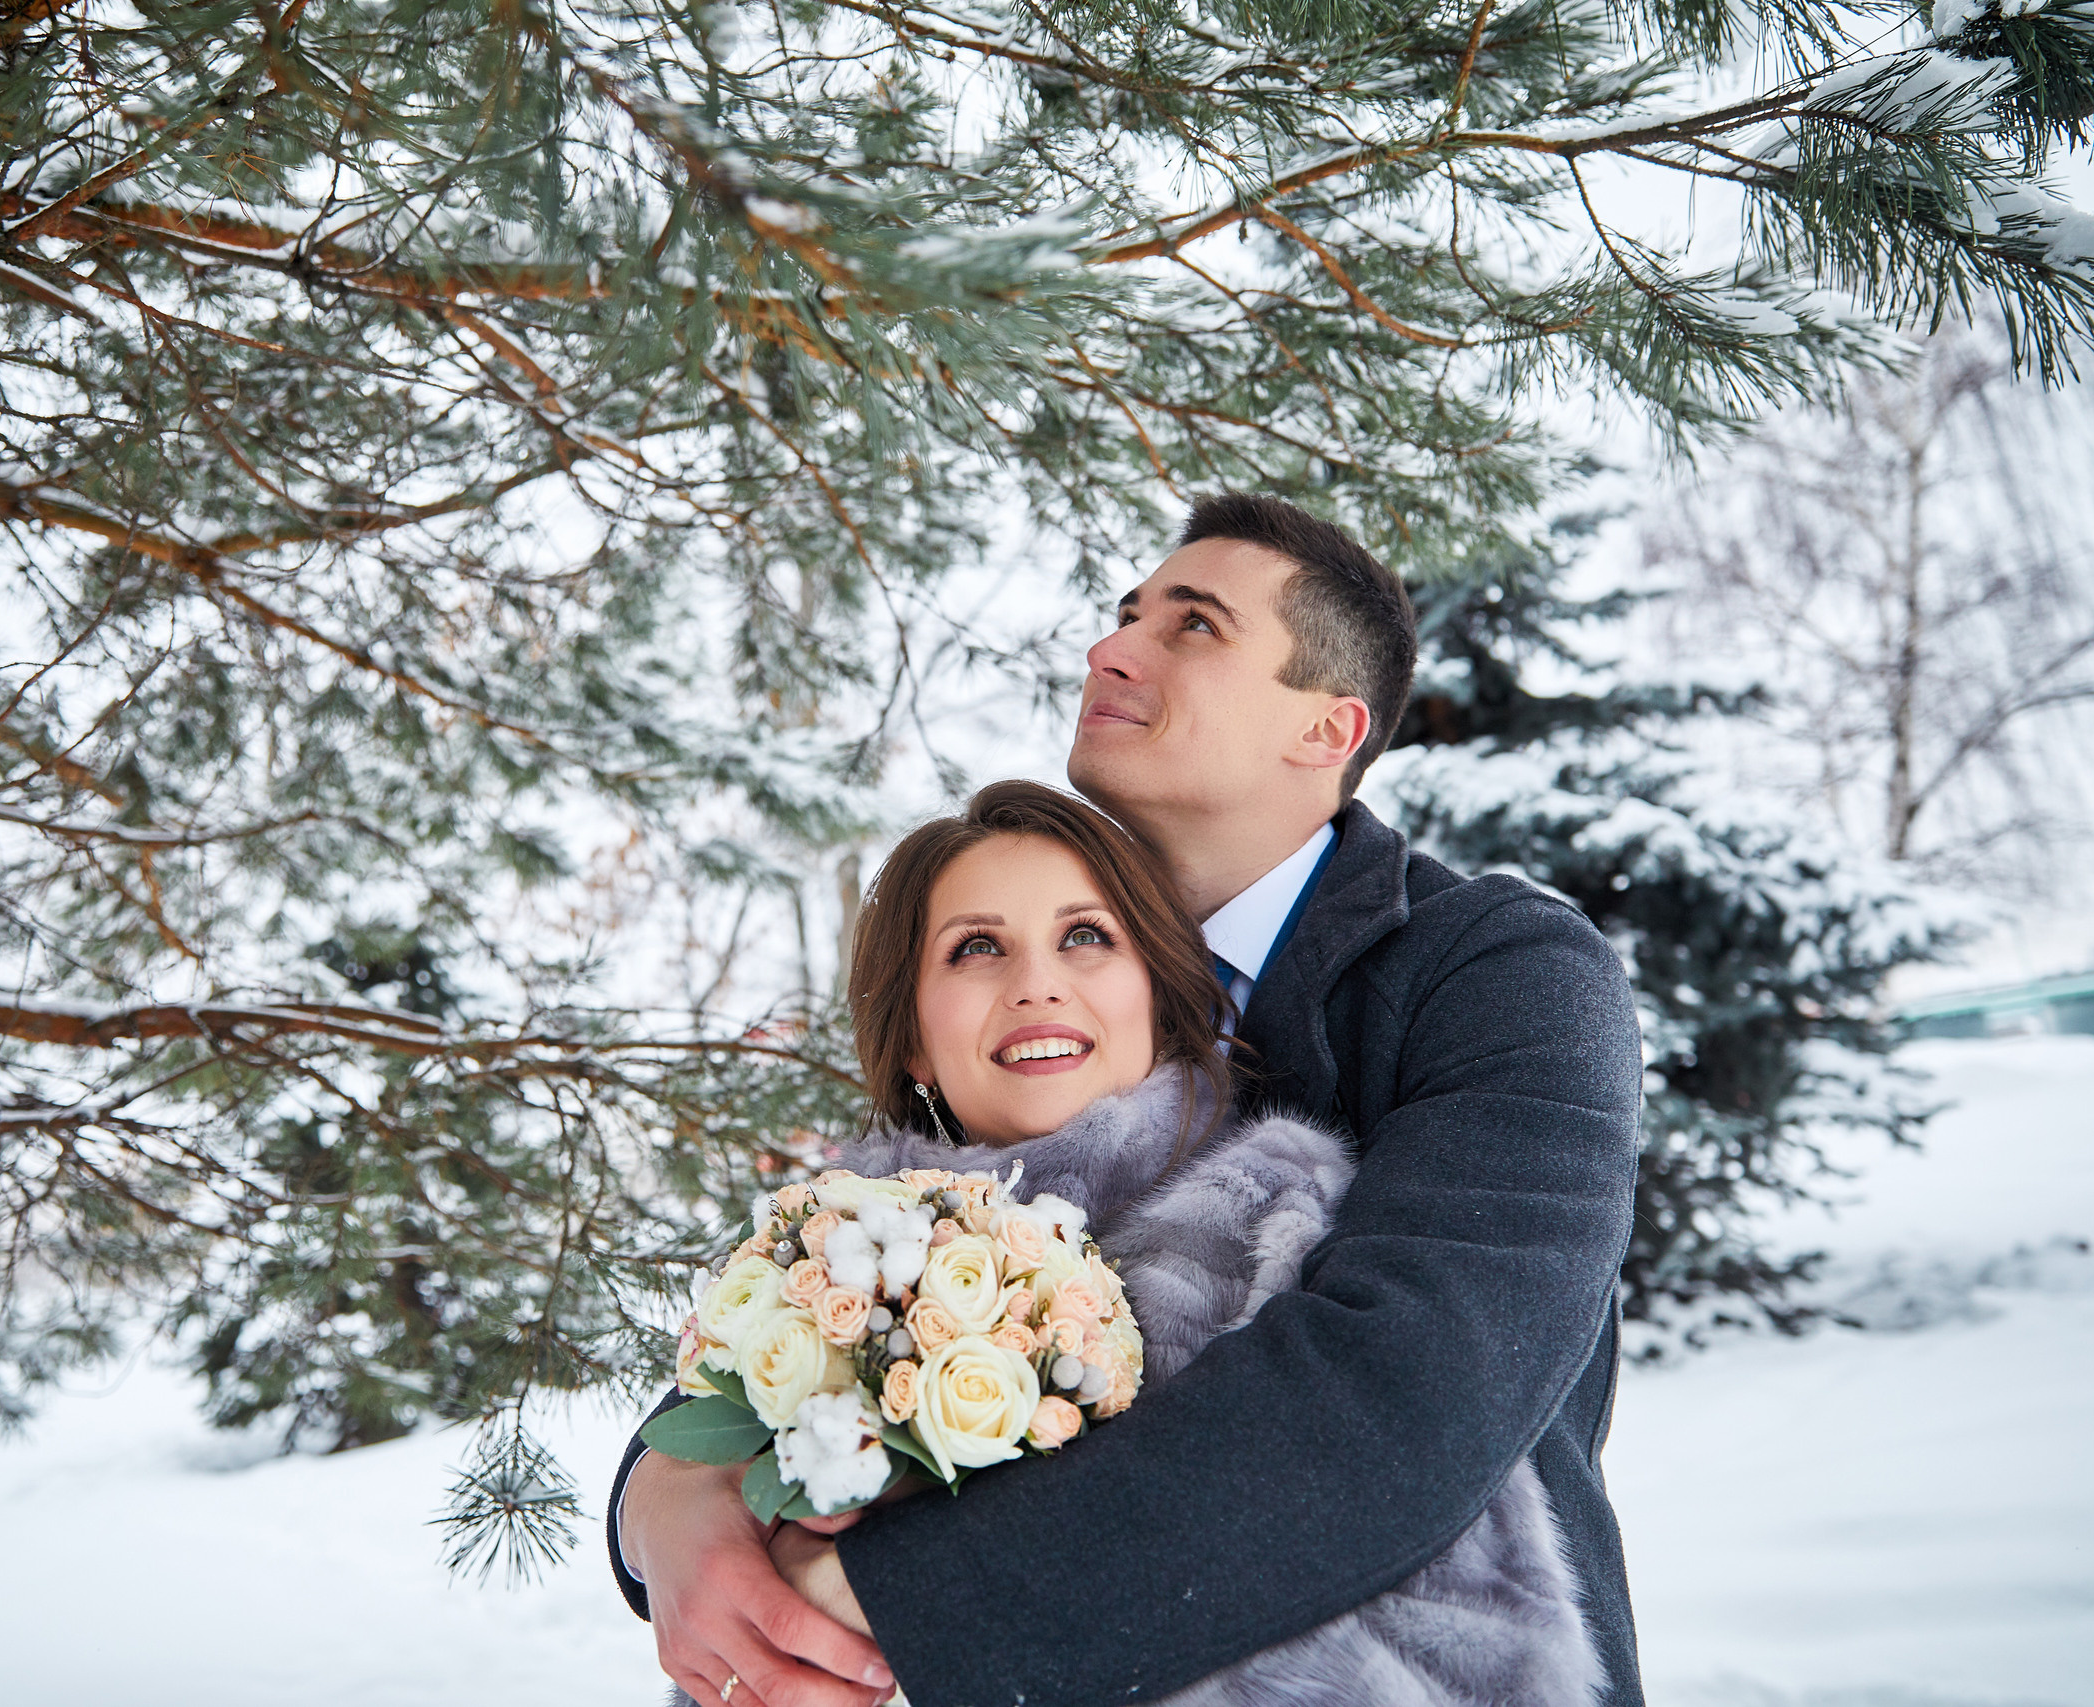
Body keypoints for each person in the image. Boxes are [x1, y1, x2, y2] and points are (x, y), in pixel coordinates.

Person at [609, 493, 1646, 1707]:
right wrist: (664, 1494)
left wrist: (892, 1611)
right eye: (1124, 616)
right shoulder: (1043, 994)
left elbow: (1406, 1393)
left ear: (1327, 728)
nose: (1110, 649)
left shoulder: (1501, 969)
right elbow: (879, 1274)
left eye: (1193, 626)